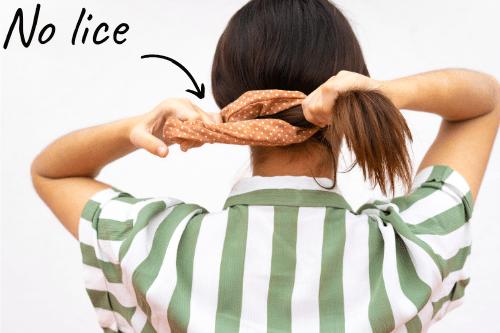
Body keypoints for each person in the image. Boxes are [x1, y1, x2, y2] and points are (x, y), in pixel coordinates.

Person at [31, 0, 499, 332]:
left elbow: (51, 171)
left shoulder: (156, 246)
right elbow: (484, 102)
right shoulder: (412, 250)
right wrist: (389, 93)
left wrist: (135, 125)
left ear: (227, 102)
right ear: (349, 90)